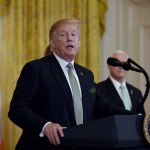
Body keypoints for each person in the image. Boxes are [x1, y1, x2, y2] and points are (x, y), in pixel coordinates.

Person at [8, 19, 133, 150]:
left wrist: (133, 117)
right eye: (63, 34)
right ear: (52, 43)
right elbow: (18, 109)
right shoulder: (36, 69)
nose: (69, 38)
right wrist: (45, 126)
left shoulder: (86, 75)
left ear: (79, 43)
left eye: (74, 35)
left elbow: (101, 106)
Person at [97, 50, 145, 115]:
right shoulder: (99, 89)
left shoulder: (137, 92)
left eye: (124, 63)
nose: (121, 67)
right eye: (117, 63)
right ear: (109, 66)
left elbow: (142, 119)